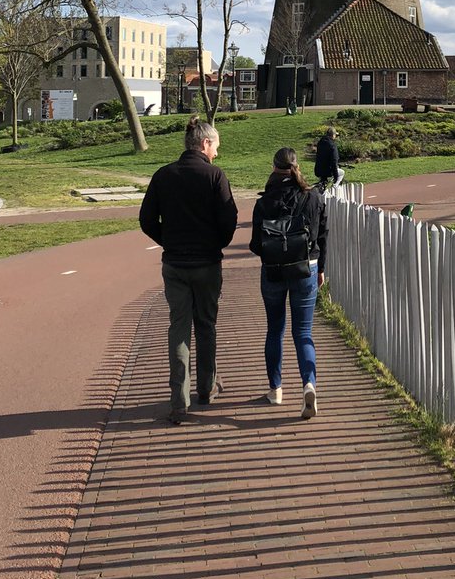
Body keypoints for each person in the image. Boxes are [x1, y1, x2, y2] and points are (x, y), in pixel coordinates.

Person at [139, 116, 238, 424]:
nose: (217, 153)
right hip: (207, 263)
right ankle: (207, 388)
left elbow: (146, 220)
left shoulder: (163, 175)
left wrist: (167, 240)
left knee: (178, 328)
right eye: (216, 146)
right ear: (205, 143)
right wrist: (216, 244)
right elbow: (229, 219)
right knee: (206, 325)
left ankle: (178, 400)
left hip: (175, 264)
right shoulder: (214, 176)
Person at [250, 147, 328, 419]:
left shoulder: (263, 202)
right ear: (297, 167)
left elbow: (255, 245)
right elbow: (322, 236)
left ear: (274, 168)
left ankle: (276, 390)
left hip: (273, 272)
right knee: (303, 333)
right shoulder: (313, 197)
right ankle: (309, 383)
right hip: (307, 269)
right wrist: (321, 268)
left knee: (275, 330)